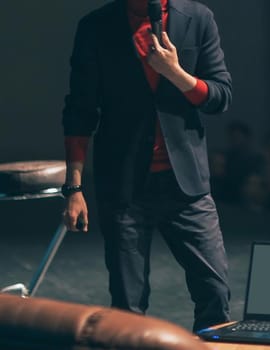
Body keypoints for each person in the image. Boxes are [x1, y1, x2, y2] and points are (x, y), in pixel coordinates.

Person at [61, 0, 232, 331]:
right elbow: (80, 111)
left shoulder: (197, 18)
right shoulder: (96, 27)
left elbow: (220, 97)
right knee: (127, 307)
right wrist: (75, 188)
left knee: (215, 292)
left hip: (186, 186)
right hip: (125, 187)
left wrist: (175, 73)